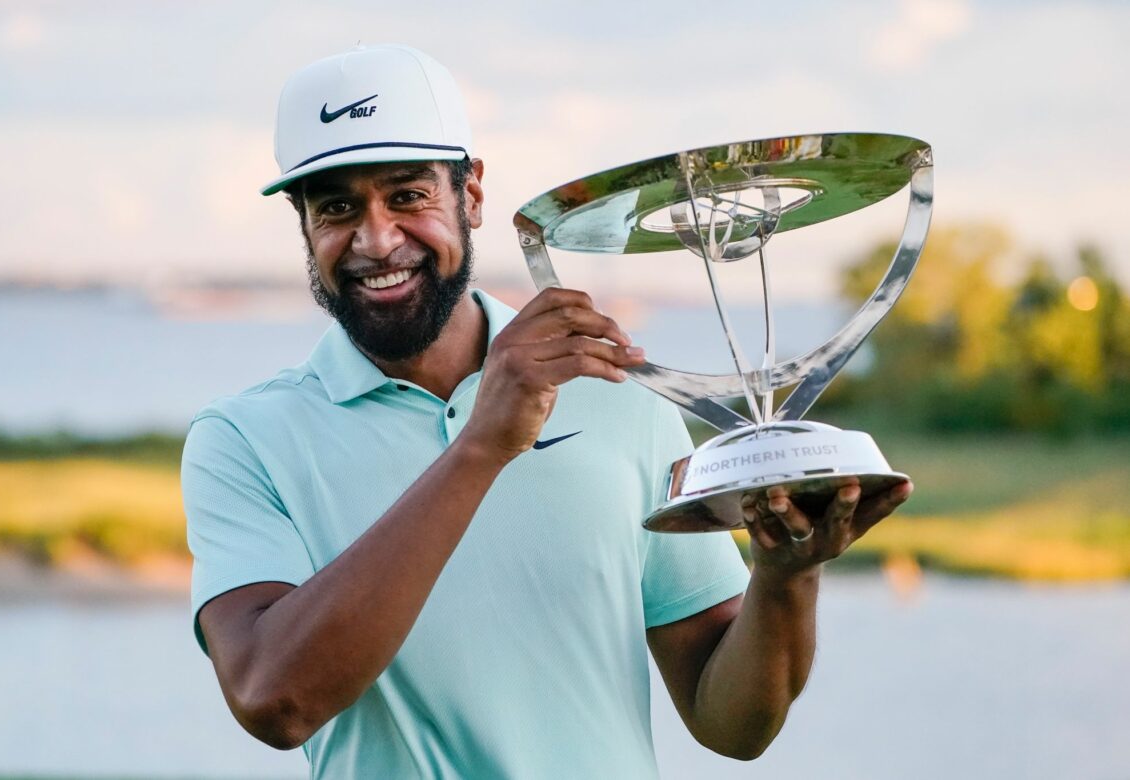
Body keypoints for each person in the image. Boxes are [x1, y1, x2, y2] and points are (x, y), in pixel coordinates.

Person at [181, 43, 911, 778]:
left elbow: (733, 726)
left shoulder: (614, 391)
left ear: (470, 195)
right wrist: (481, 445)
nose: (376, 239)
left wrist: (785, 579)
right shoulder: (244, 439)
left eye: (408, 196)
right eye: (336, 207)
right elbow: (275, 700)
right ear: (303, 224)